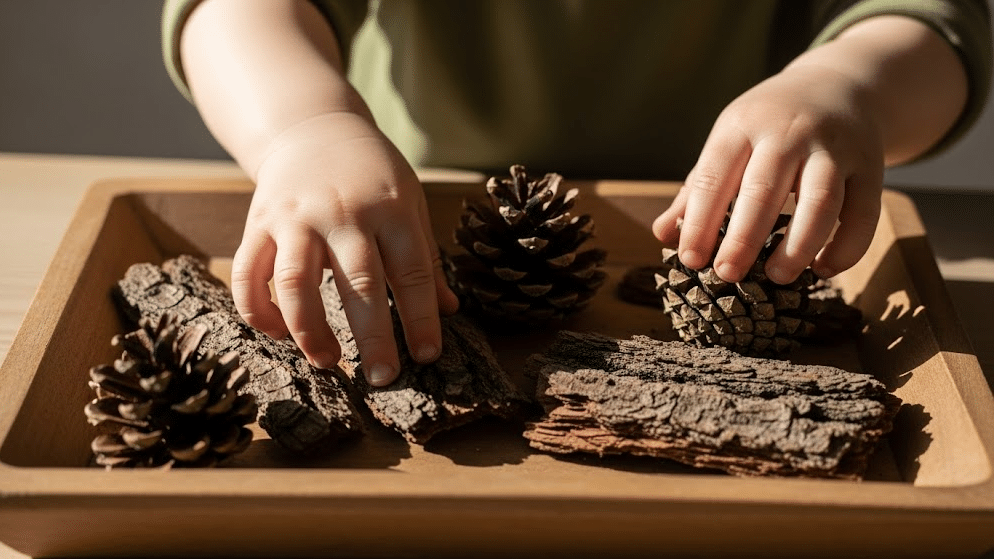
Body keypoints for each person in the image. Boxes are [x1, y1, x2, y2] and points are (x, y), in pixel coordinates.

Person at [161, 0, 992, 387]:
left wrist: (851, 85)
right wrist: (304, 129)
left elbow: (938, 22)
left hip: (737, 224)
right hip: (405, 226)